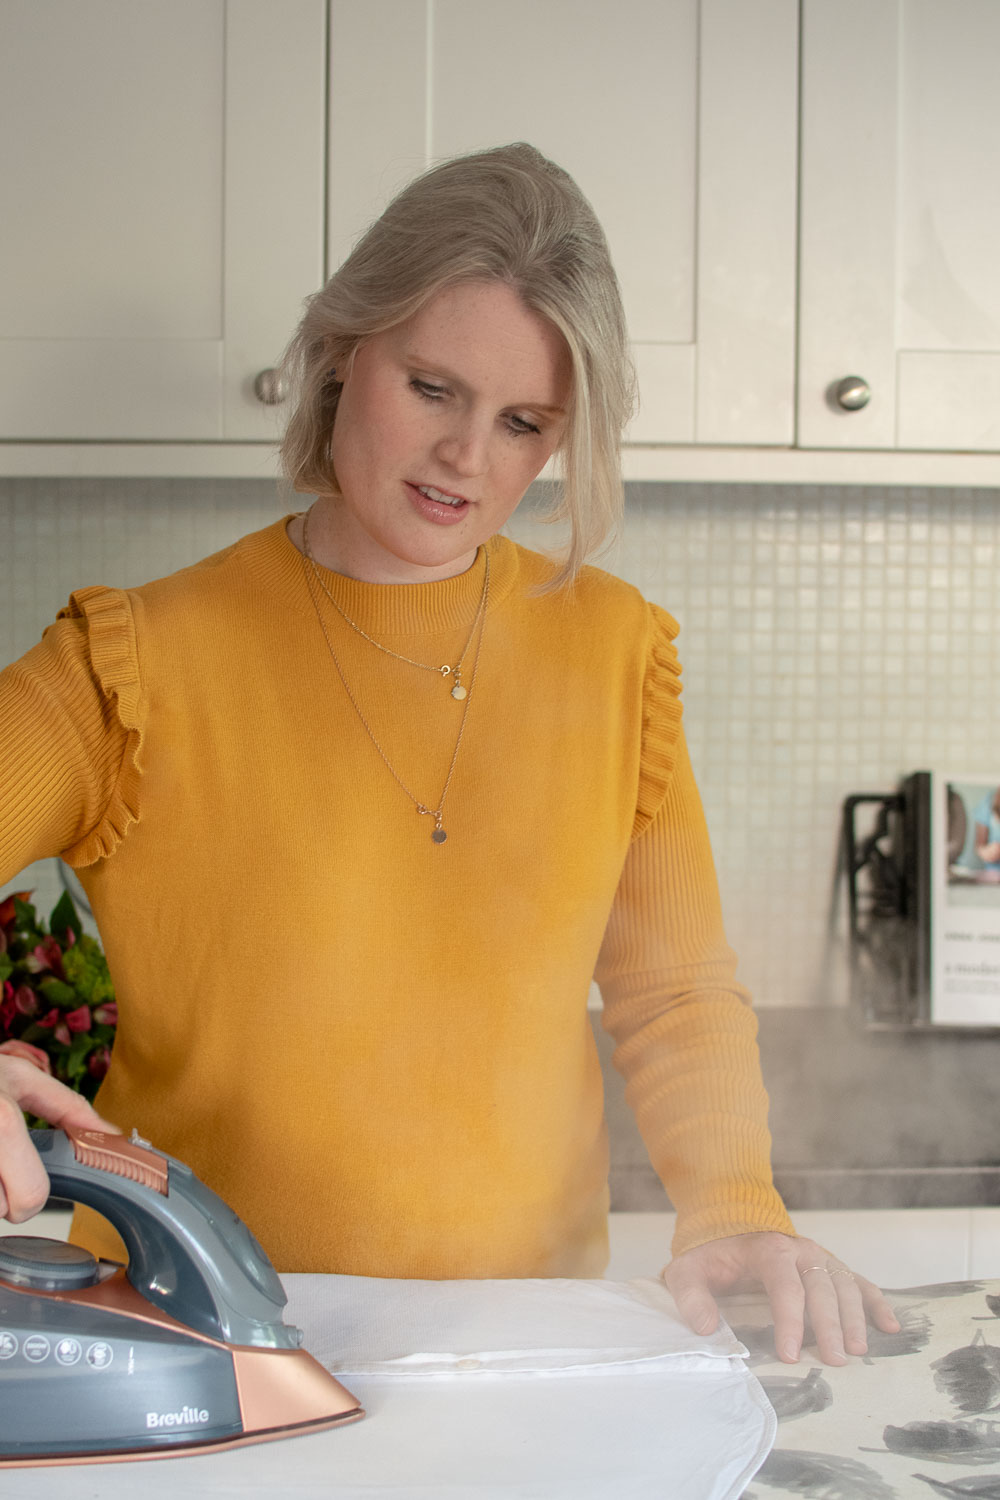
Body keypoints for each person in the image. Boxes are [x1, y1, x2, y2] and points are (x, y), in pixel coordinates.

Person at [0, 142, 897, 1365]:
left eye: (525, 422)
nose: (469, 457)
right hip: (198, 1343)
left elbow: (671, 985)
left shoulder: (613, 652)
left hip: (519, 1347)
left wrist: (735, 1201)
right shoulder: (137, 661)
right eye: (432, 388)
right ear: (338, 354)